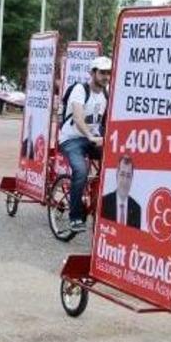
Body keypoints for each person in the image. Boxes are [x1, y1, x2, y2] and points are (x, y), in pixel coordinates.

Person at [59, 56, 111, 232]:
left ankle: (100, 202)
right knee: (81, 171)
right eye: (102, 73)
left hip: (93, 139)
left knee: (117, 164)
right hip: (72, 139)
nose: (106, 77)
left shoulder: (106, 93)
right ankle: (75, 218)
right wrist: (90, 135)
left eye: (108, 73)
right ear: (92, 73)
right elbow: (78, 118)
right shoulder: (80, 90)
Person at [100, 155, 141, 228]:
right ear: (117, 175)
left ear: (132, 179)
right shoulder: (104, 202)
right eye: (122, 174)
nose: (125, 181)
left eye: (128, 176)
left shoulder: (136, 209)